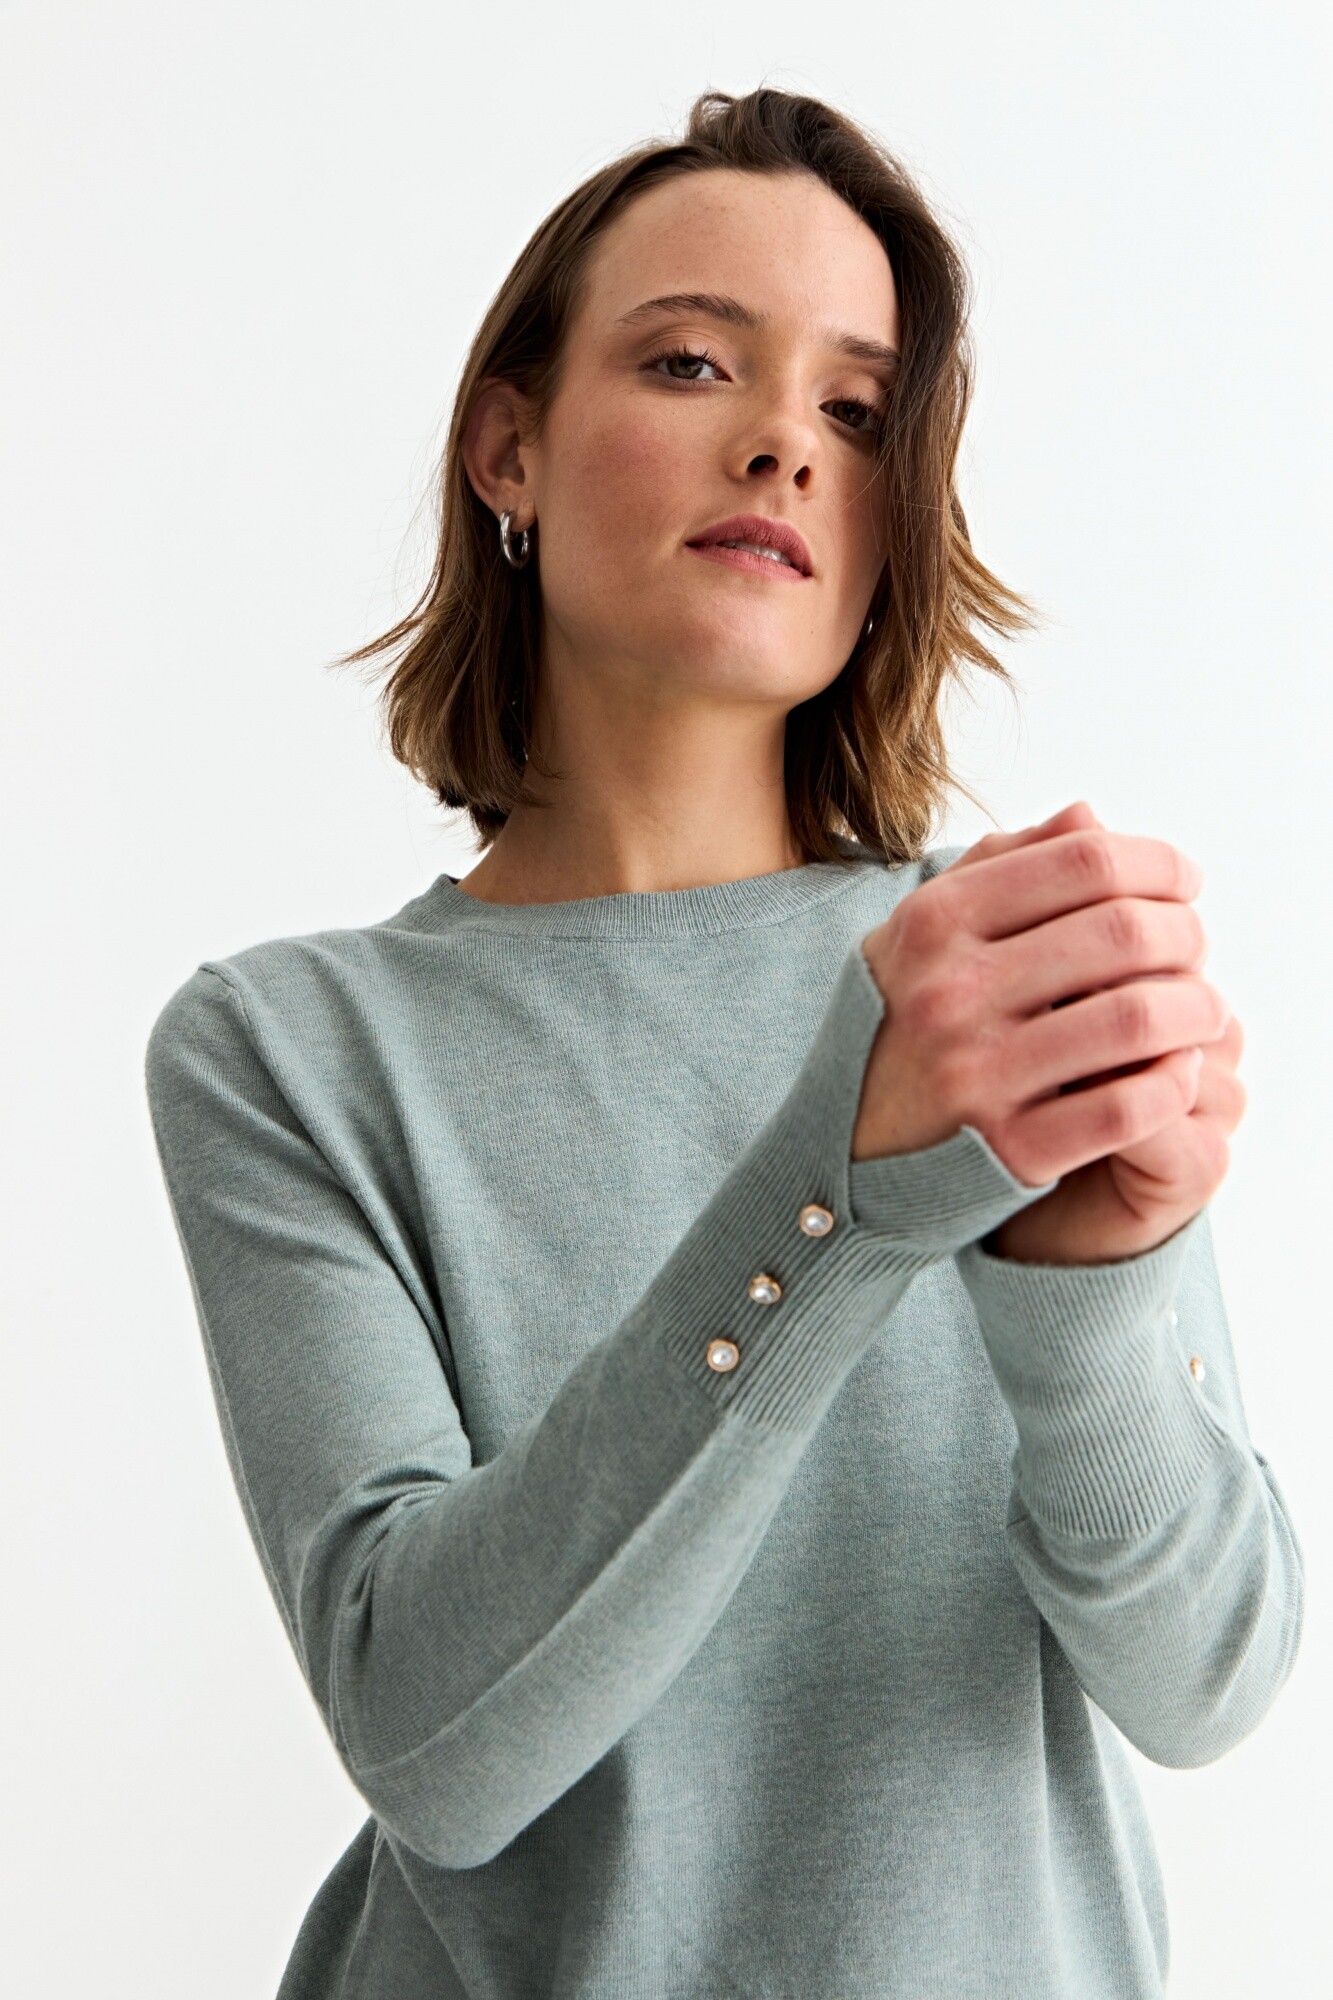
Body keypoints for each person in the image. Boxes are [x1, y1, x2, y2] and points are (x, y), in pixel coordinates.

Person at [143, 85, 1304, 2000]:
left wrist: (1092, 1294)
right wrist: (836, 1196)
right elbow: (434, 1747)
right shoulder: (289, 1046)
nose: (781, 441)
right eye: (691, 362)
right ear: (507, 446)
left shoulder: (993, 972)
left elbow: (1209, 1684)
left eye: (856, 412)